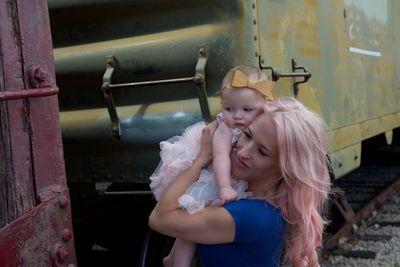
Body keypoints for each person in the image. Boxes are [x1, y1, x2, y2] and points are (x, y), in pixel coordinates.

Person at [149, 97, 331, 267]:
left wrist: (203, 157)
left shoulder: (249, 215)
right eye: (247, 135)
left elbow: (159, 218)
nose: (243, 152)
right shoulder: (269, 207)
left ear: (285, 169)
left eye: (262, 152)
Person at [149, 65, 275, 266]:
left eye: (247, 109)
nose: (237, 116)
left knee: (192, 224)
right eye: (229, 109)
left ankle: (173, 258)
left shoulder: (264, 125)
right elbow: (219, 155)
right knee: (190, 222)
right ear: (222, 105)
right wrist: (224, 187)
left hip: (226, 181)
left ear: (265, 106)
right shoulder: (225, 127)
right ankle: (176, 261)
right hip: (214, 177)